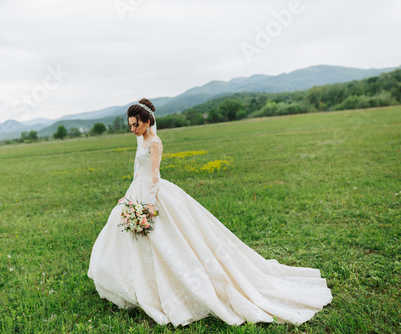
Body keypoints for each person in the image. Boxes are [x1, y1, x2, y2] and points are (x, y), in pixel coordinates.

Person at [87, 98, 332, 327]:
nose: (132, 129)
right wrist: (128, 196)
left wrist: (150, 204)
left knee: (168, 238)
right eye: (130, 125)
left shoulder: (155, 143)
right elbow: (137, 172)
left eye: (135, 125)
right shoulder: (140, 140)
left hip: (153, 195)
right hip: (136, 192)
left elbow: (154, 175)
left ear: (147, 122)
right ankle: (132, 285)